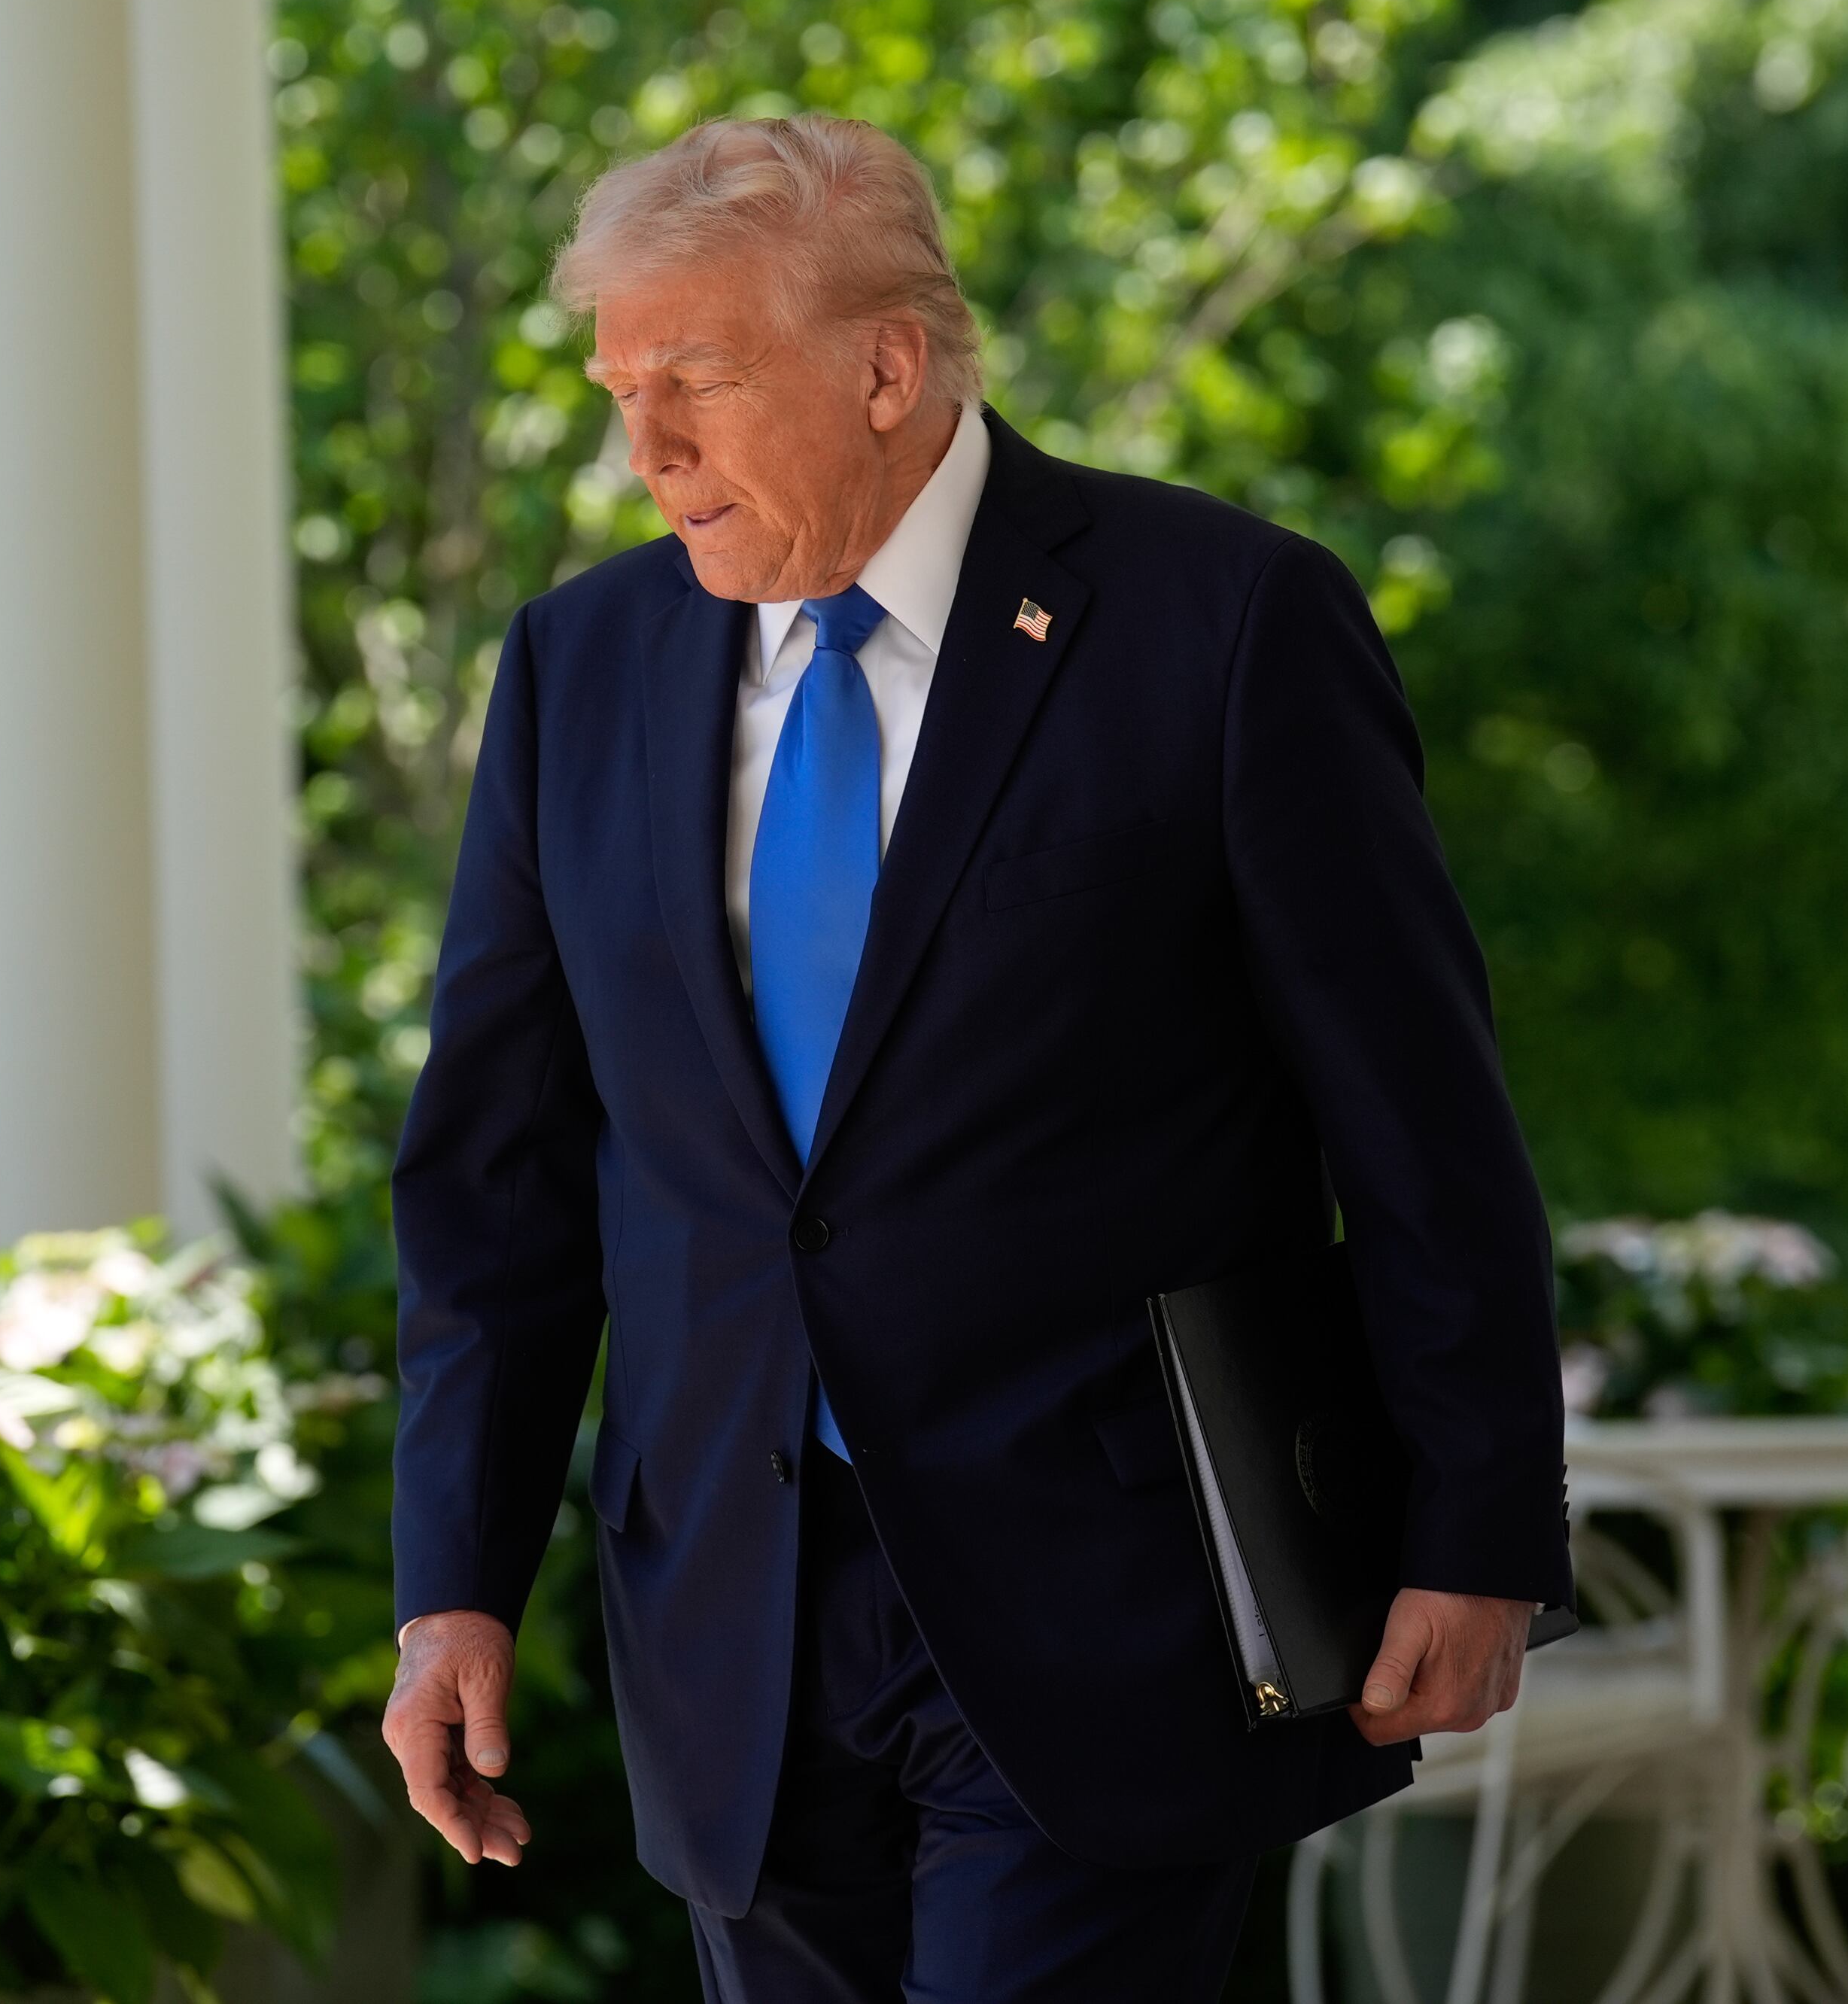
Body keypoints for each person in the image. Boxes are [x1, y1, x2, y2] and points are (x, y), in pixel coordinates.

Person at [381, 113, 1570, 2002]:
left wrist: (1480, 1516)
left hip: (1113, 1597)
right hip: (730, 1617)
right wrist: (451, 1581)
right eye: (621, 392)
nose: (647, 452)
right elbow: (496, 1178)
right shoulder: (575, 671)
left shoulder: (1226, 623)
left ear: (884, 366)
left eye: (689, 384)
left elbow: (1419, 1117)